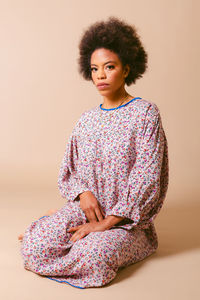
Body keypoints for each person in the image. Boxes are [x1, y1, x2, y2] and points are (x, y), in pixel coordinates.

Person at [18, 16, 169, 289]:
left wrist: (106, 223)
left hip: (127, 222)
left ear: (126, 69)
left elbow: (147, 177)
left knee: (93, 257)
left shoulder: (145, 113)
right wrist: (83, 194)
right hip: (85, 210)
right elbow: (70, 169)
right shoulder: (86, 119)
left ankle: (78, 243)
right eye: (94, 68)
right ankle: (55, 232)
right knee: (34, 246)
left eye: (109, 67)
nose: (100, 75)